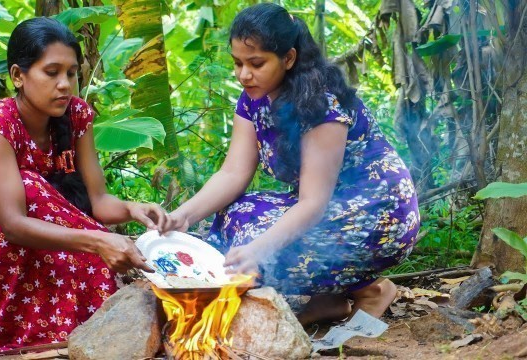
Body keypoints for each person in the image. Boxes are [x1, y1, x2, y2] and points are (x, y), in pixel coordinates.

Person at [162, 3, 419, 324]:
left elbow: (313, 204)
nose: (244, 74)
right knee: (233, 215)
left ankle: (371, 290)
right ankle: (330, 301)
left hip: (377, 215)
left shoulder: (322, 106)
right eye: (238, 63)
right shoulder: (253, 97)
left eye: (256, 63)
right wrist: (182, 215)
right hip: (327, 208)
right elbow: (232, 173)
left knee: (252, 246)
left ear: (289, 58)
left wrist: (257, 249)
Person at [0, 17, 168, 353]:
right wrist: (99, 240)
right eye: (51, 72)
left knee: (43, 197)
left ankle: (78, 329)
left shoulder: (77, 116)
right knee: (30, 186)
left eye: (71, 73)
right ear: (18, 76)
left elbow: (98, 201)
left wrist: (133, 209)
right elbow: (12, 224)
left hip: (34, 229)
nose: (64, 84)